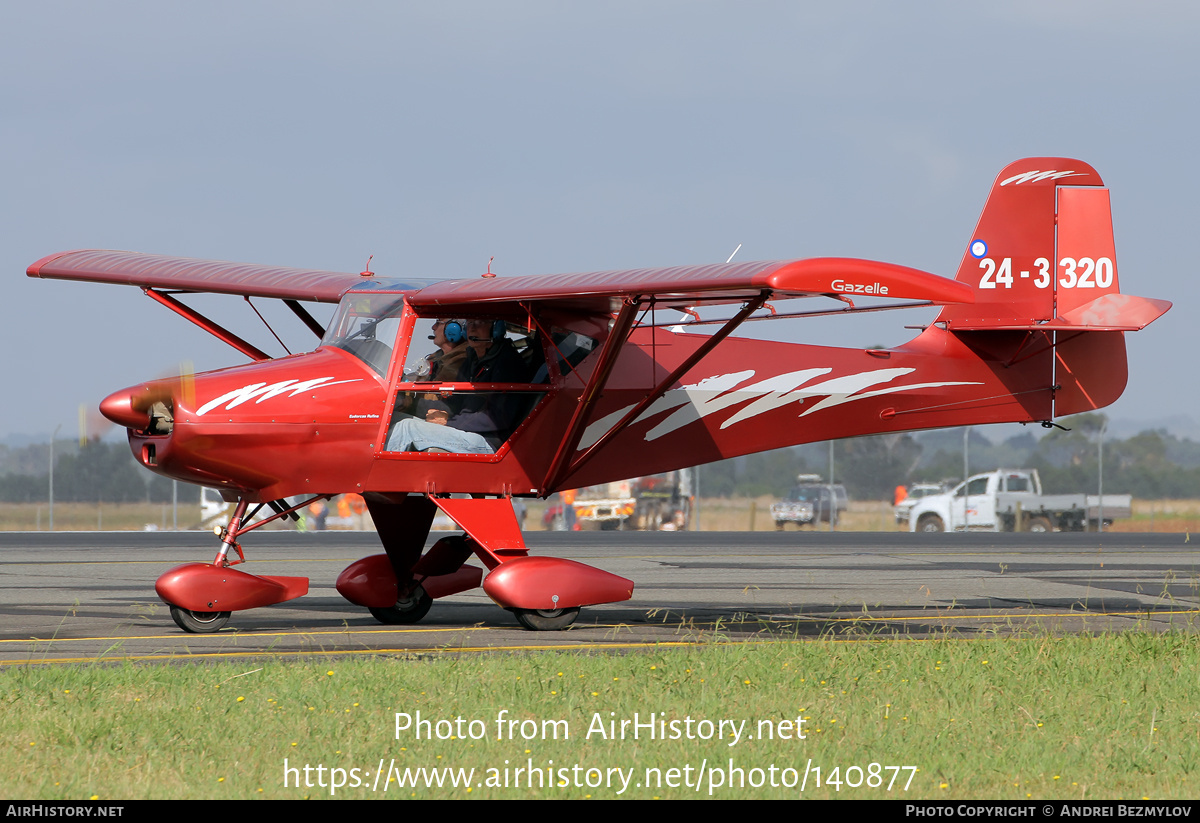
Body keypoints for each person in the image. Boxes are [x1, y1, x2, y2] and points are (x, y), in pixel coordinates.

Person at [387, 318, 528, 453]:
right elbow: (454, 403)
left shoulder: (507, 363)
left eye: (480, 322)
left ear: (497, 328)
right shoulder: (472, 360)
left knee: (407, 427)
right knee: (394, 418)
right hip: (464, 430)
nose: (472, 328)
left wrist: (449, 423)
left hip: (490, 440)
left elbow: (497, 418)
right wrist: (409, 404)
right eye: (470, 322)